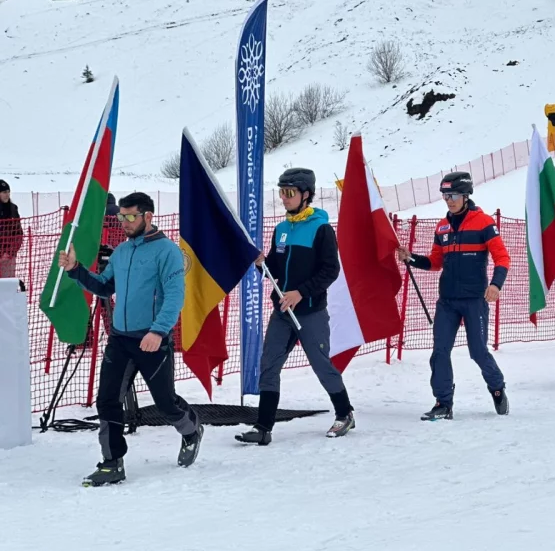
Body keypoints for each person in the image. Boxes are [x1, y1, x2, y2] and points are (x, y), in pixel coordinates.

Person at [58, 192, 202, 486]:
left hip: (152, 340)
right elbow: (104, 286)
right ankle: (112, 463)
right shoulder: (122, 252)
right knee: (108, 400)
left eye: (130, 216)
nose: (124, 222)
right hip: (120, 339)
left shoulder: (167, 252)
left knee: (165, 403)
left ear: (148, 217)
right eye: (121, 217)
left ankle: (191, 430)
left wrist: (158, 331)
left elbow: (175, 297)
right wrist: (76, 270)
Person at [236, 168, 355, 445]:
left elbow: (330, 271)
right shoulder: (281, 229)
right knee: (269, 365)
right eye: (282, 192)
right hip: (282, 312)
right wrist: (262, 265)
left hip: (310, 310)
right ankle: (263, 428)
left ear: (305, 195)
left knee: (321, 364)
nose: (284, 198)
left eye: (289, 193)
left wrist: (301, 293)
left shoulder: (321, 228)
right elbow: (276, 269)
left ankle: (344, 413)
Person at [397, 171, 511, 420]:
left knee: (478, 351)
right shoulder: (442, 226)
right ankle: (443, 402)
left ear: (466, 195)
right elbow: (436, 262)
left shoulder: (484, 223)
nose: (449, 200)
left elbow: (502, 258)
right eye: (445, 196)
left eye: (454, 195)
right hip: (447, 301)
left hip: (474, 300)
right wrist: (411, 258)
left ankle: (497, 387)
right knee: (439, 351)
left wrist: (496, 285)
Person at [0, 179, 23, 279]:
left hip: (9, 256)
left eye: (8, 192)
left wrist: (10, 252)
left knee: (7, 285)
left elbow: (18, 233)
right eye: (4, 192)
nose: (7, 195)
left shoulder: (13, 209)